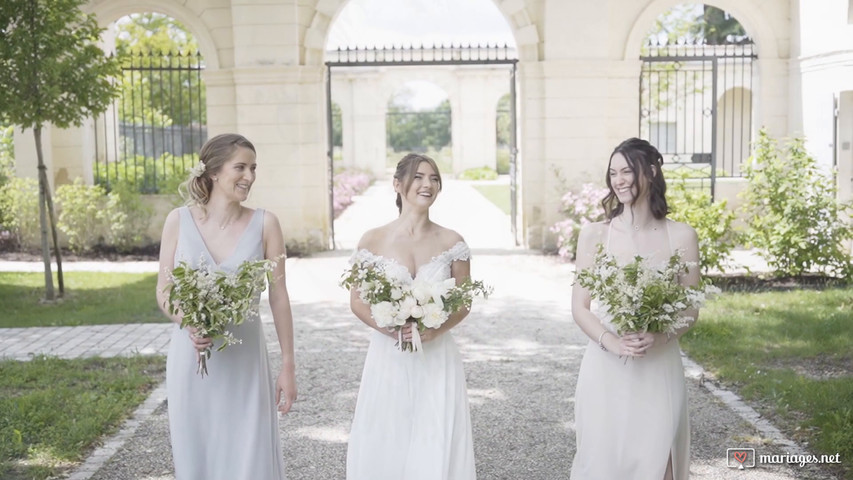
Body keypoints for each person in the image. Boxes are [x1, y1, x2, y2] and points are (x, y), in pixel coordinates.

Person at [155, 133, 297, 479]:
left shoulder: (266, 223)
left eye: (253, 168)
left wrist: (288, 366)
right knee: (197, 454)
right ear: (214, 172)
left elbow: (278, 296)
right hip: (191, 358)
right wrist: (188, 321)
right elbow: (164, 289)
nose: (249, 176)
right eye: (240, 168)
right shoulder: (178, 220)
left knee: (248, 452)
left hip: (245, 359)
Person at [570, 138, 700, 480]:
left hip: (659, 365)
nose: (619, 180)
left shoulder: (682, 236)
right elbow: (580, 307)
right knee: (604, 459)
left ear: (651, 172)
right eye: (613, 173)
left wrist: (658, 338)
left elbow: (689, 309)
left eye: (627, 170)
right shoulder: (595, 235)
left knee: (660, 459)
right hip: (606, 365)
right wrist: (613, 343)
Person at [346, 153, 477, 480]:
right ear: (397, 184)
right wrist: (390, 328)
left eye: (433, 178)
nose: (427, 184)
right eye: (418, 177)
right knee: (387, 431)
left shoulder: (453, 242)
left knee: (434, 432)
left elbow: (463, 303)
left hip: (437, 356)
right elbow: (357, 301)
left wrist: (436, 329)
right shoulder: (372, 240)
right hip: (387, 355)